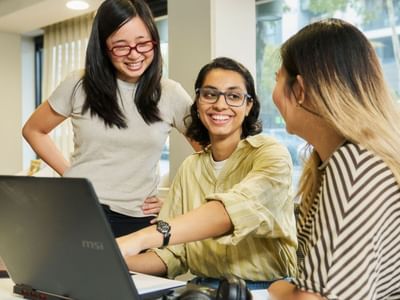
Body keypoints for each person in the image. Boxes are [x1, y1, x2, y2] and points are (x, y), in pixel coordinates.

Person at [117, 57, 298, 290]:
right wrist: (114, 259)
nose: (220, 105)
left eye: (233, 96)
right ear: (198, 103)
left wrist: (138, 239)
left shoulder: (271, 154)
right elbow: (173, 255)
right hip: (202, 290)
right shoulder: (189, 168)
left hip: (266, 290)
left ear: (249, 105)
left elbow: (236, 208)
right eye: (210, 94)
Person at [22, 0, 195, 237]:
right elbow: (33, 130)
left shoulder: (170, 93)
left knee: (132, 275)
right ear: (103, 48)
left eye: (143, 43)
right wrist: (72, 177)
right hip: (78, 210)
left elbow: (208, 155)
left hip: (138, 218)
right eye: (121, 46)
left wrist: (175, 200)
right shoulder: (78, 84)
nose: (134, 55)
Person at [268, 18, 400, 300]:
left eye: (277, 78)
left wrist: (279, 290)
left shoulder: (355, 167)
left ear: (300, 90)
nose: (274, 94)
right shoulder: (336, 162)